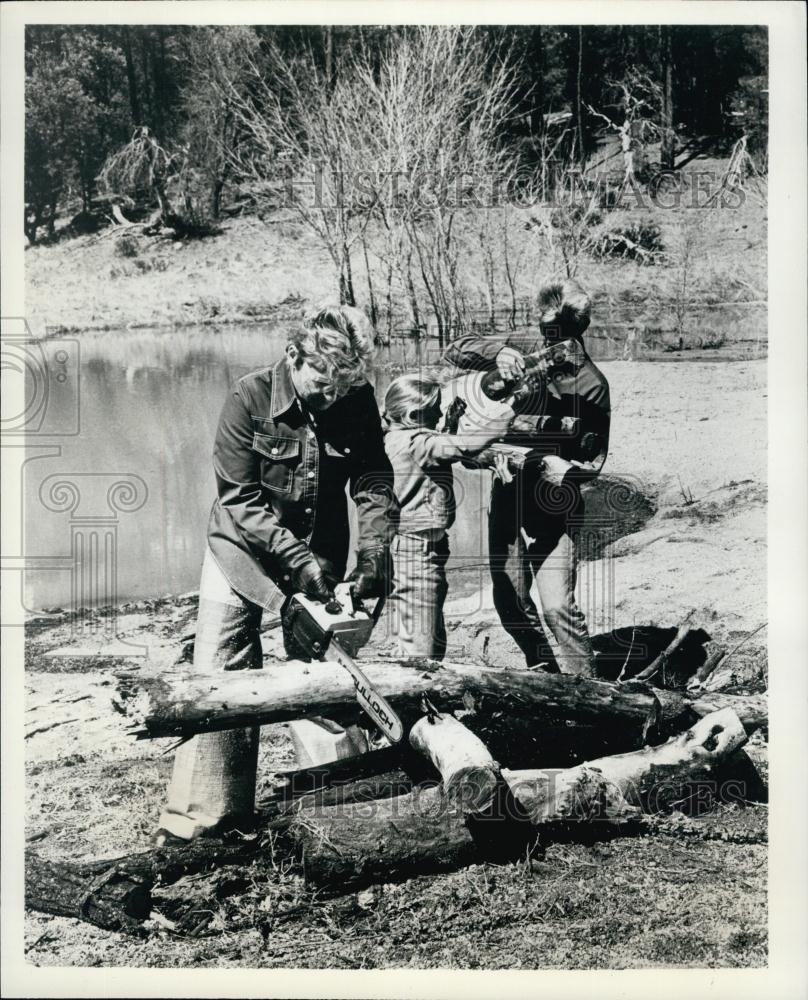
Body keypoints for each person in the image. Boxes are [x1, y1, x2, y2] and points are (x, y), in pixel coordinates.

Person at [154, 305, 398, 845]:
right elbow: (239, 500)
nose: (329, 397)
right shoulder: (249, 396)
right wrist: (298, 563)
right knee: (222, 672)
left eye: (341, 387)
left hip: (319, 552)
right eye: (321, 383)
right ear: (295, 356)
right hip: (240, 552)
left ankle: (336, 809)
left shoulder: (353, 398)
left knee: (322, 675)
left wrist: (375, 554)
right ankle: (203, 819)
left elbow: (374, 477)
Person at [443, 278, 611, 676]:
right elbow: (455, 349)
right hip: (508, 497)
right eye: (544, 331)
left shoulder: (592, 386)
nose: (549, 343)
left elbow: (592, 461)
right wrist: (498, 352)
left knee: (557, 607)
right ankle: (544, 672)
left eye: (558, 335)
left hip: (554, 506)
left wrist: (554, 463)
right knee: (510, 599)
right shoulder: (523, 353)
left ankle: (588, 690)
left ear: (578, 331)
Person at [383, 374, 514, 660]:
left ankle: (422, 692)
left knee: (428, 635)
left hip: (421, 548)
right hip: (416, 551)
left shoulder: (398, 437)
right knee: (421, 649)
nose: (439, 413)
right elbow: (461, 447)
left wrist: (449, 424)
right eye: (434, 409)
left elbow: (442, 444)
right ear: (413, 415)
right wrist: (504, 416)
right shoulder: (415, 442)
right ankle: (414, 697)